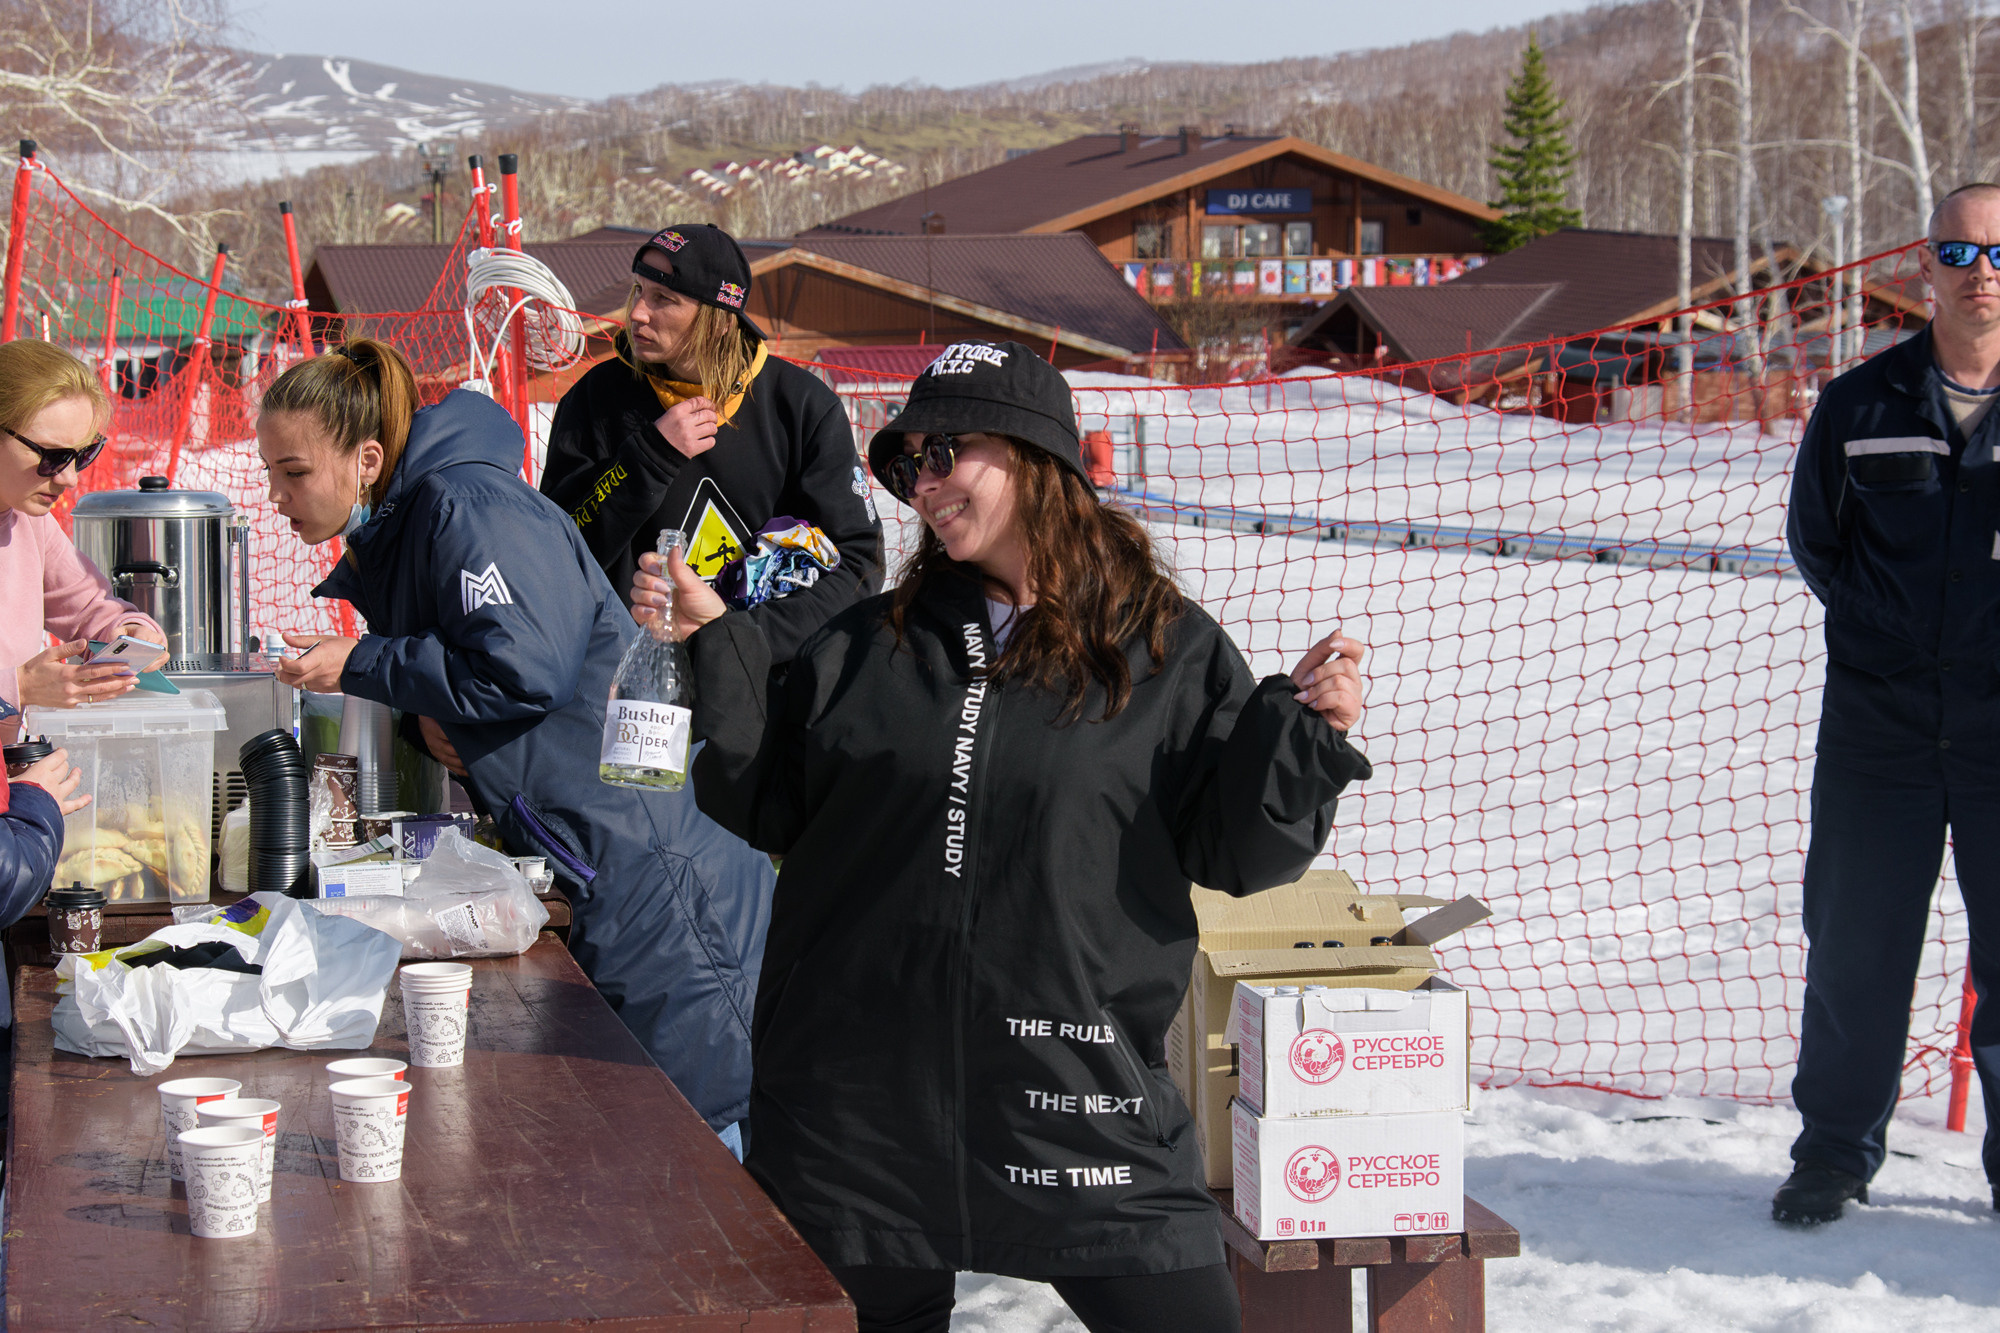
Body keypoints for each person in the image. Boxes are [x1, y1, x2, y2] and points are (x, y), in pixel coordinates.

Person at [670, 342, 1371, 1333]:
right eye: (908, 463)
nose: (922, 483)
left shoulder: (1165, 650)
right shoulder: (868, 646)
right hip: (859, 1110)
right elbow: (763, 800)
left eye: (945, 451)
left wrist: (1304, 742)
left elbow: (1237, 854)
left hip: (1074, 1098)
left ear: (1032, 455)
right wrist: (715, 640)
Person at [257, 339, 775, 1152]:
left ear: (364, 459)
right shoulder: (408, 526)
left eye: (292, 471)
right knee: (656, 1134)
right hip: (601, 851)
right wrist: (425, 718)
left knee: (699, 1129)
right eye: (268, 473)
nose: (278, 495)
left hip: (658, 862)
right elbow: (472, 673)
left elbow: (525, 663)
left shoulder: (467, 507)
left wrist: (360, 662)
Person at [1780, 181, 2000, 1225]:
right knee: (1856, 949)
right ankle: (1830, 1153)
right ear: (1925, 267)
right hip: (1879, 729)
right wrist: (1885, 640)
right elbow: (1817, 545)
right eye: (1958, 255)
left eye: (1999, 255)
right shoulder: (1859, 404)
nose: (1982, 274)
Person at [539, 223, 881, 662]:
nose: (638, 314)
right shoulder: (596, 398)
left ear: (718, 321)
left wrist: (737, 637)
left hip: (760, 690)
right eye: (638, 290)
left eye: (664, 299)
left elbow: (860, 567)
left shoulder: (801, 406)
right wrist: (648, 458)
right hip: (628, 681)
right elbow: (556, 550)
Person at [0, 339, 166, 721]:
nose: (70, 478)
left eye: (82, 455)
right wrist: (19, 688)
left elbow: (89, 608)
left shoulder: (31, 523)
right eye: (52, 456)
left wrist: (129, 632)